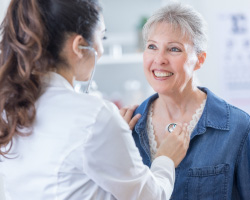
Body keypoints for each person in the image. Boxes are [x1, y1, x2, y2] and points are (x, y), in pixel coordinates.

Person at [0, 0, 190, 199]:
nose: (100, 50)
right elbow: (153, 196)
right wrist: (165, 158)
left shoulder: (9, 106)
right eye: (102, 37)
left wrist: (113, 136)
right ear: (79, 46)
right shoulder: (94, 117)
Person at [132, 2, 250, 199]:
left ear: (200, 59)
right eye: (152, 46)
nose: (159, 59)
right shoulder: (127, 127)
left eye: (174, 49)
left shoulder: (239, 128)